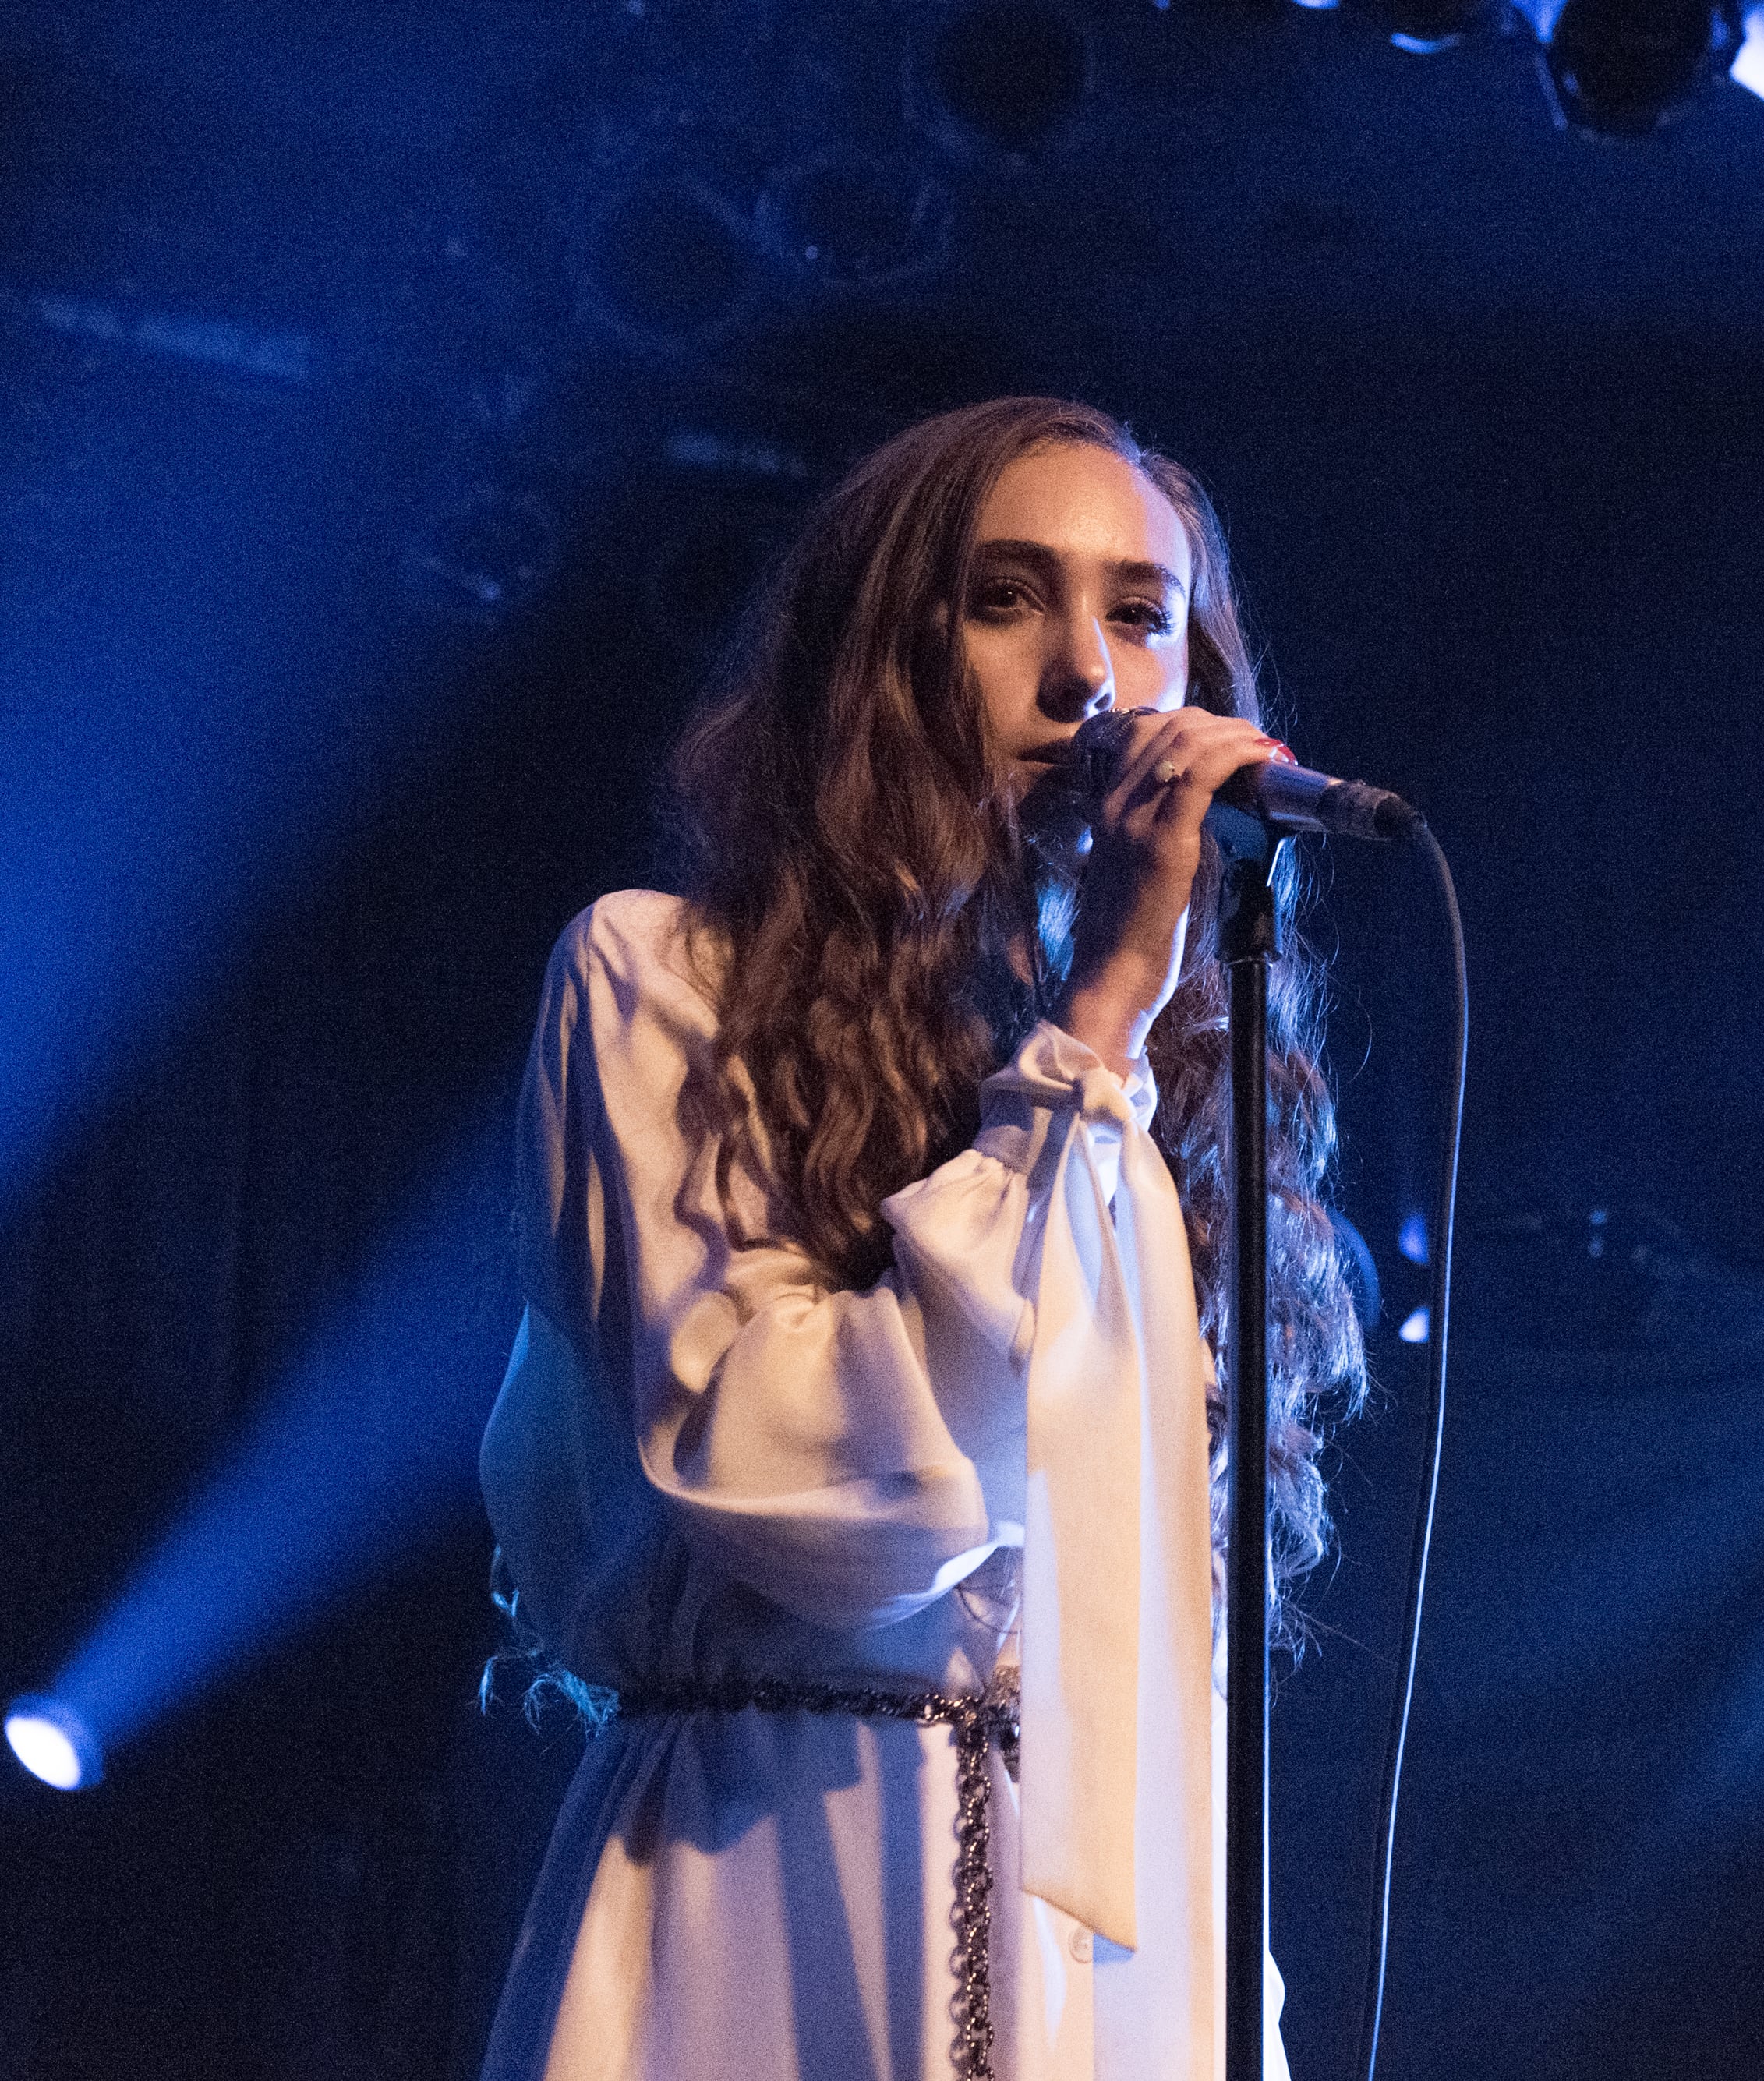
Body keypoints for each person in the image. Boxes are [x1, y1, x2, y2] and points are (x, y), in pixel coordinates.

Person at [475, 397, 1365, 2081]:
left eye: (1137, 611)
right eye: (1006, 597)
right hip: (768, 1883)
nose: (1088, 677)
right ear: (884, 655)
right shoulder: (662, 976)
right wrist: (1088, 1030)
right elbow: (801, 1491)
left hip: (1093, 1956)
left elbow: (1164, 1661)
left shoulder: (1169, 1085)